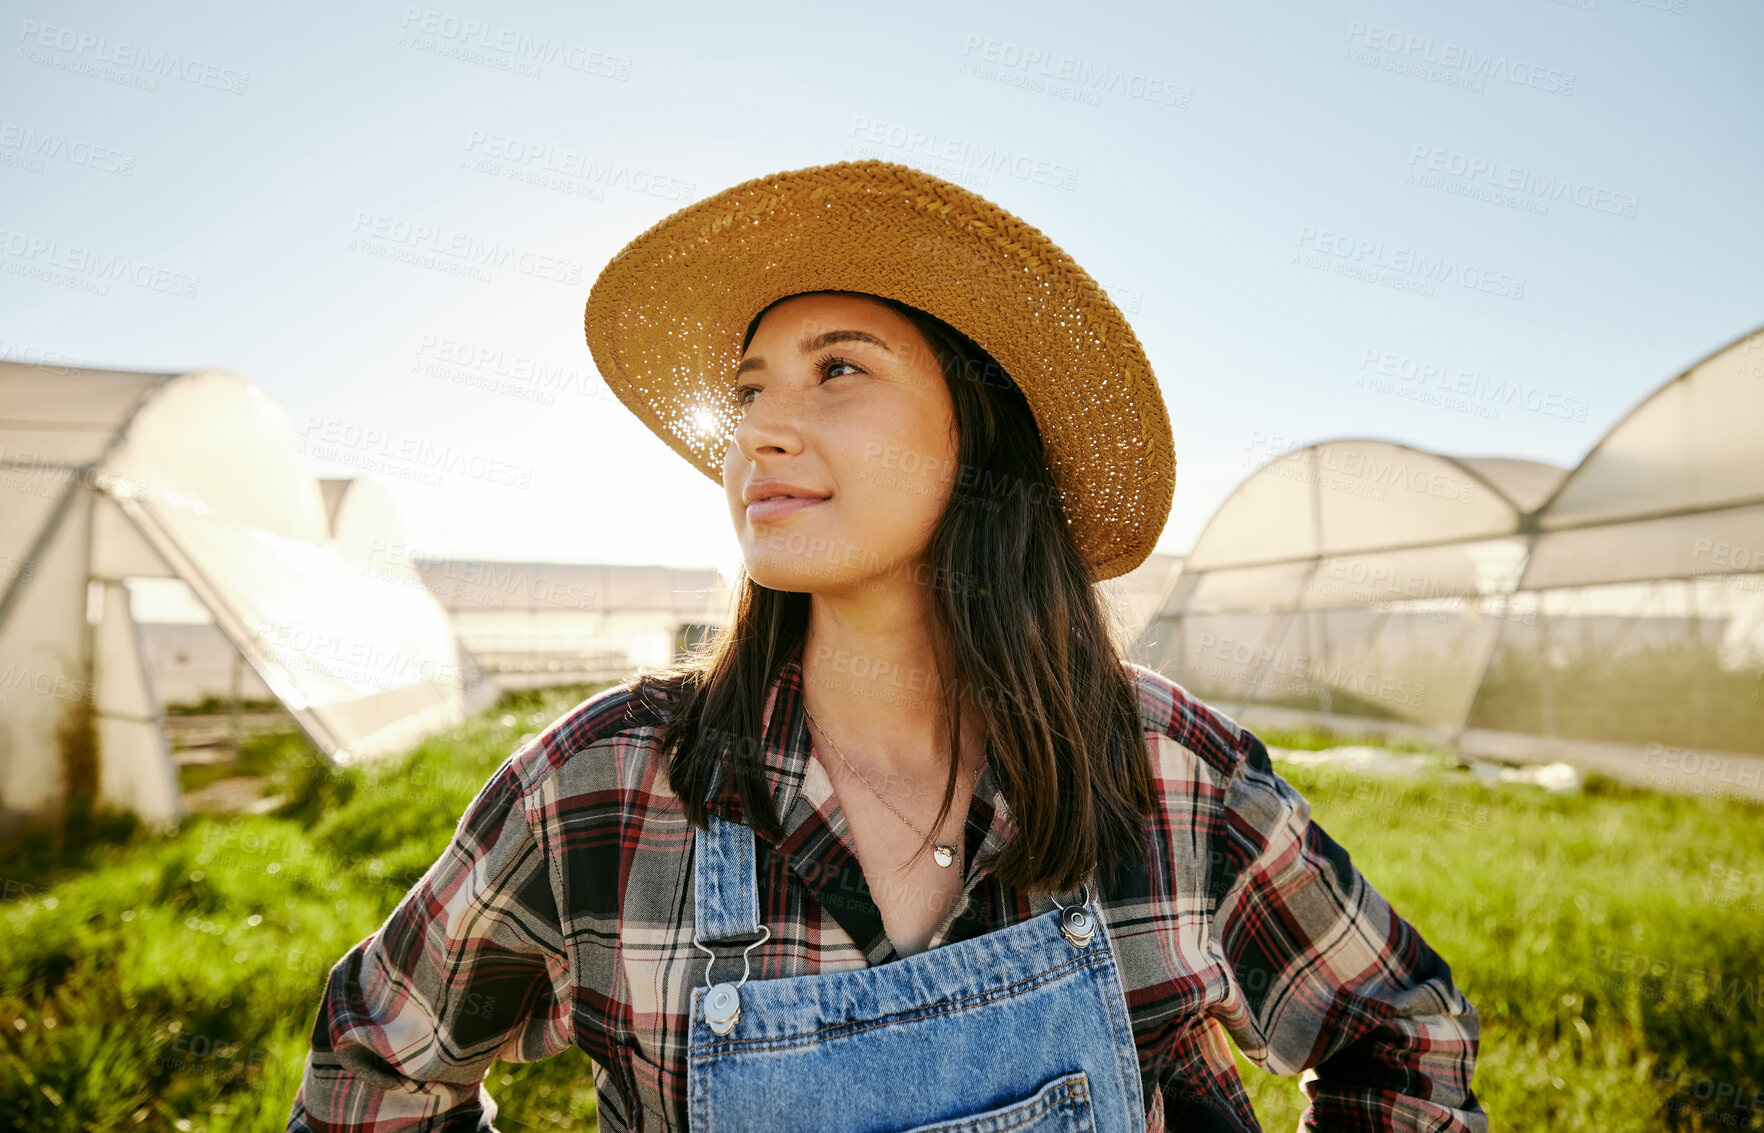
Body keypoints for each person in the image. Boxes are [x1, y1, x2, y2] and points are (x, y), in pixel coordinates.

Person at [288, 160, 1485, 1132]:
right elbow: (372, 1067)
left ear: (976, 434)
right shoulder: (599, 784)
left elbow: (1404, 1040)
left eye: (839, 370)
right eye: (749, 391)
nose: (760, 429)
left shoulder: (1169, 772)